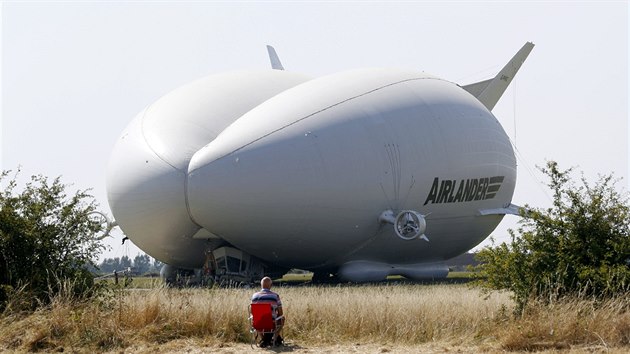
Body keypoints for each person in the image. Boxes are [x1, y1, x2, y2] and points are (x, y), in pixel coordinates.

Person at [251, 276, 284, 346]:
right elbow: (281, 313)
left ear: (261, 285)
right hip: (271, 323)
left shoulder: (254, 296)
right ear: (271, 286)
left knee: (254, 319)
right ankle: (274, 339)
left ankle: (264, 339)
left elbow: (252, 312)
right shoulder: (275, 296)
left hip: (258, 323)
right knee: (282, 318)